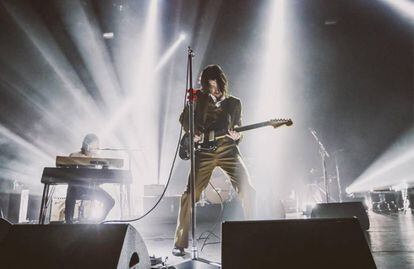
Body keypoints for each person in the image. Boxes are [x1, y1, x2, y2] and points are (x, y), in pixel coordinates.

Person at [172, 64, 256, 256]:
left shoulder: (234, 103)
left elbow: (238, 128)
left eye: (216, 85)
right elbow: (184, 119)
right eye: (209, 86)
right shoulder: (197, 98)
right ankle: (180, 243)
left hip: (228, 150)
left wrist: (237, 136)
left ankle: (254, 234)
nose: (214, 90)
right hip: (204, 152)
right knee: (189, 194)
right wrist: (192, 132)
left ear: (222, 82)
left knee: (248, 189)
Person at [64, 133, 115, 223]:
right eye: (93, 145)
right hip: (77, 188)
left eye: (96, 145)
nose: (94, 147)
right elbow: (68, 173)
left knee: (110, 201)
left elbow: (104, 175)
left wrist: (106, 166)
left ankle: (96, 221)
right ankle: (69, 222)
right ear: (86, 144)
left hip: (91, 188)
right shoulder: (75, 155)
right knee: (72, 188)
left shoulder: (97, 157)